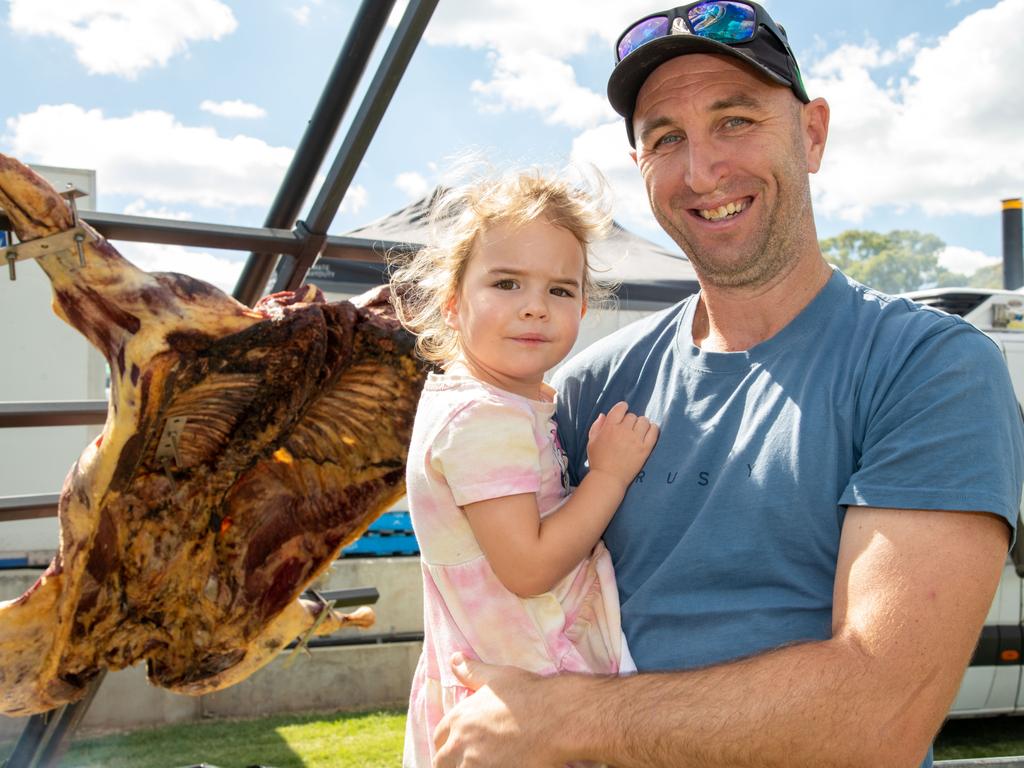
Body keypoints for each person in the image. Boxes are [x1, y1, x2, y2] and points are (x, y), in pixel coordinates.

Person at [430, 3, 1024, 767]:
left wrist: (564, 719)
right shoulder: (581, 393)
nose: (702, 170)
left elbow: (879, 717)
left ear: (812, 134)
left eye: (736, 120)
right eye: (665, 138)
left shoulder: (926, 368)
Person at [388, 169, 659, 768]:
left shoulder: (502, 404)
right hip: (521, 693)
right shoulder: (482, 420)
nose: (535, 307)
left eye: (560, 291)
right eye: (506, 283)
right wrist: (608, 476)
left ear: (584, 308)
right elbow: (529, 567)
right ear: (452, 303)